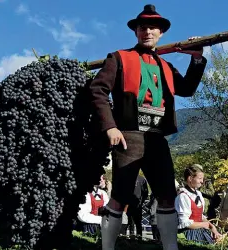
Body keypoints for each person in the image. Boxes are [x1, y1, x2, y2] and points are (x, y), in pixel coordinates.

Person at [89, 4, 207, 250]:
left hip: (157, 138)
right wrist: (110, 126)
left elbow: (186, 89)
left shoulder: (165, 66)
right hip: (128, 136)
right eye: (142, 27)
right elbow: (97, 89)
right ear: (136, 31)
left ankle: (170, 247)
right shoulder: (119, 57)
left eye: (153, 27)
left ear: (161, 32)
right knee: (120, 196)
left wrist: (197, 58)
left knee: (167, 196)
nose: (147, 31)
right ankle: (107, 248)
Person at [175, 165, 222, 244]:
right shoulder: (183, 197)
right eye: (200, 178)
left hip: (200, 231)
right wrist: (204, 224)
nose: (202, 181)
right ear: (190, 178)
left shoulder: (198, 194)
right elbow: (184, 223)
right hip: (189, 234)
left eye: (202, 179)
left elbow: (200, 216)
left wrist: (211, 226)